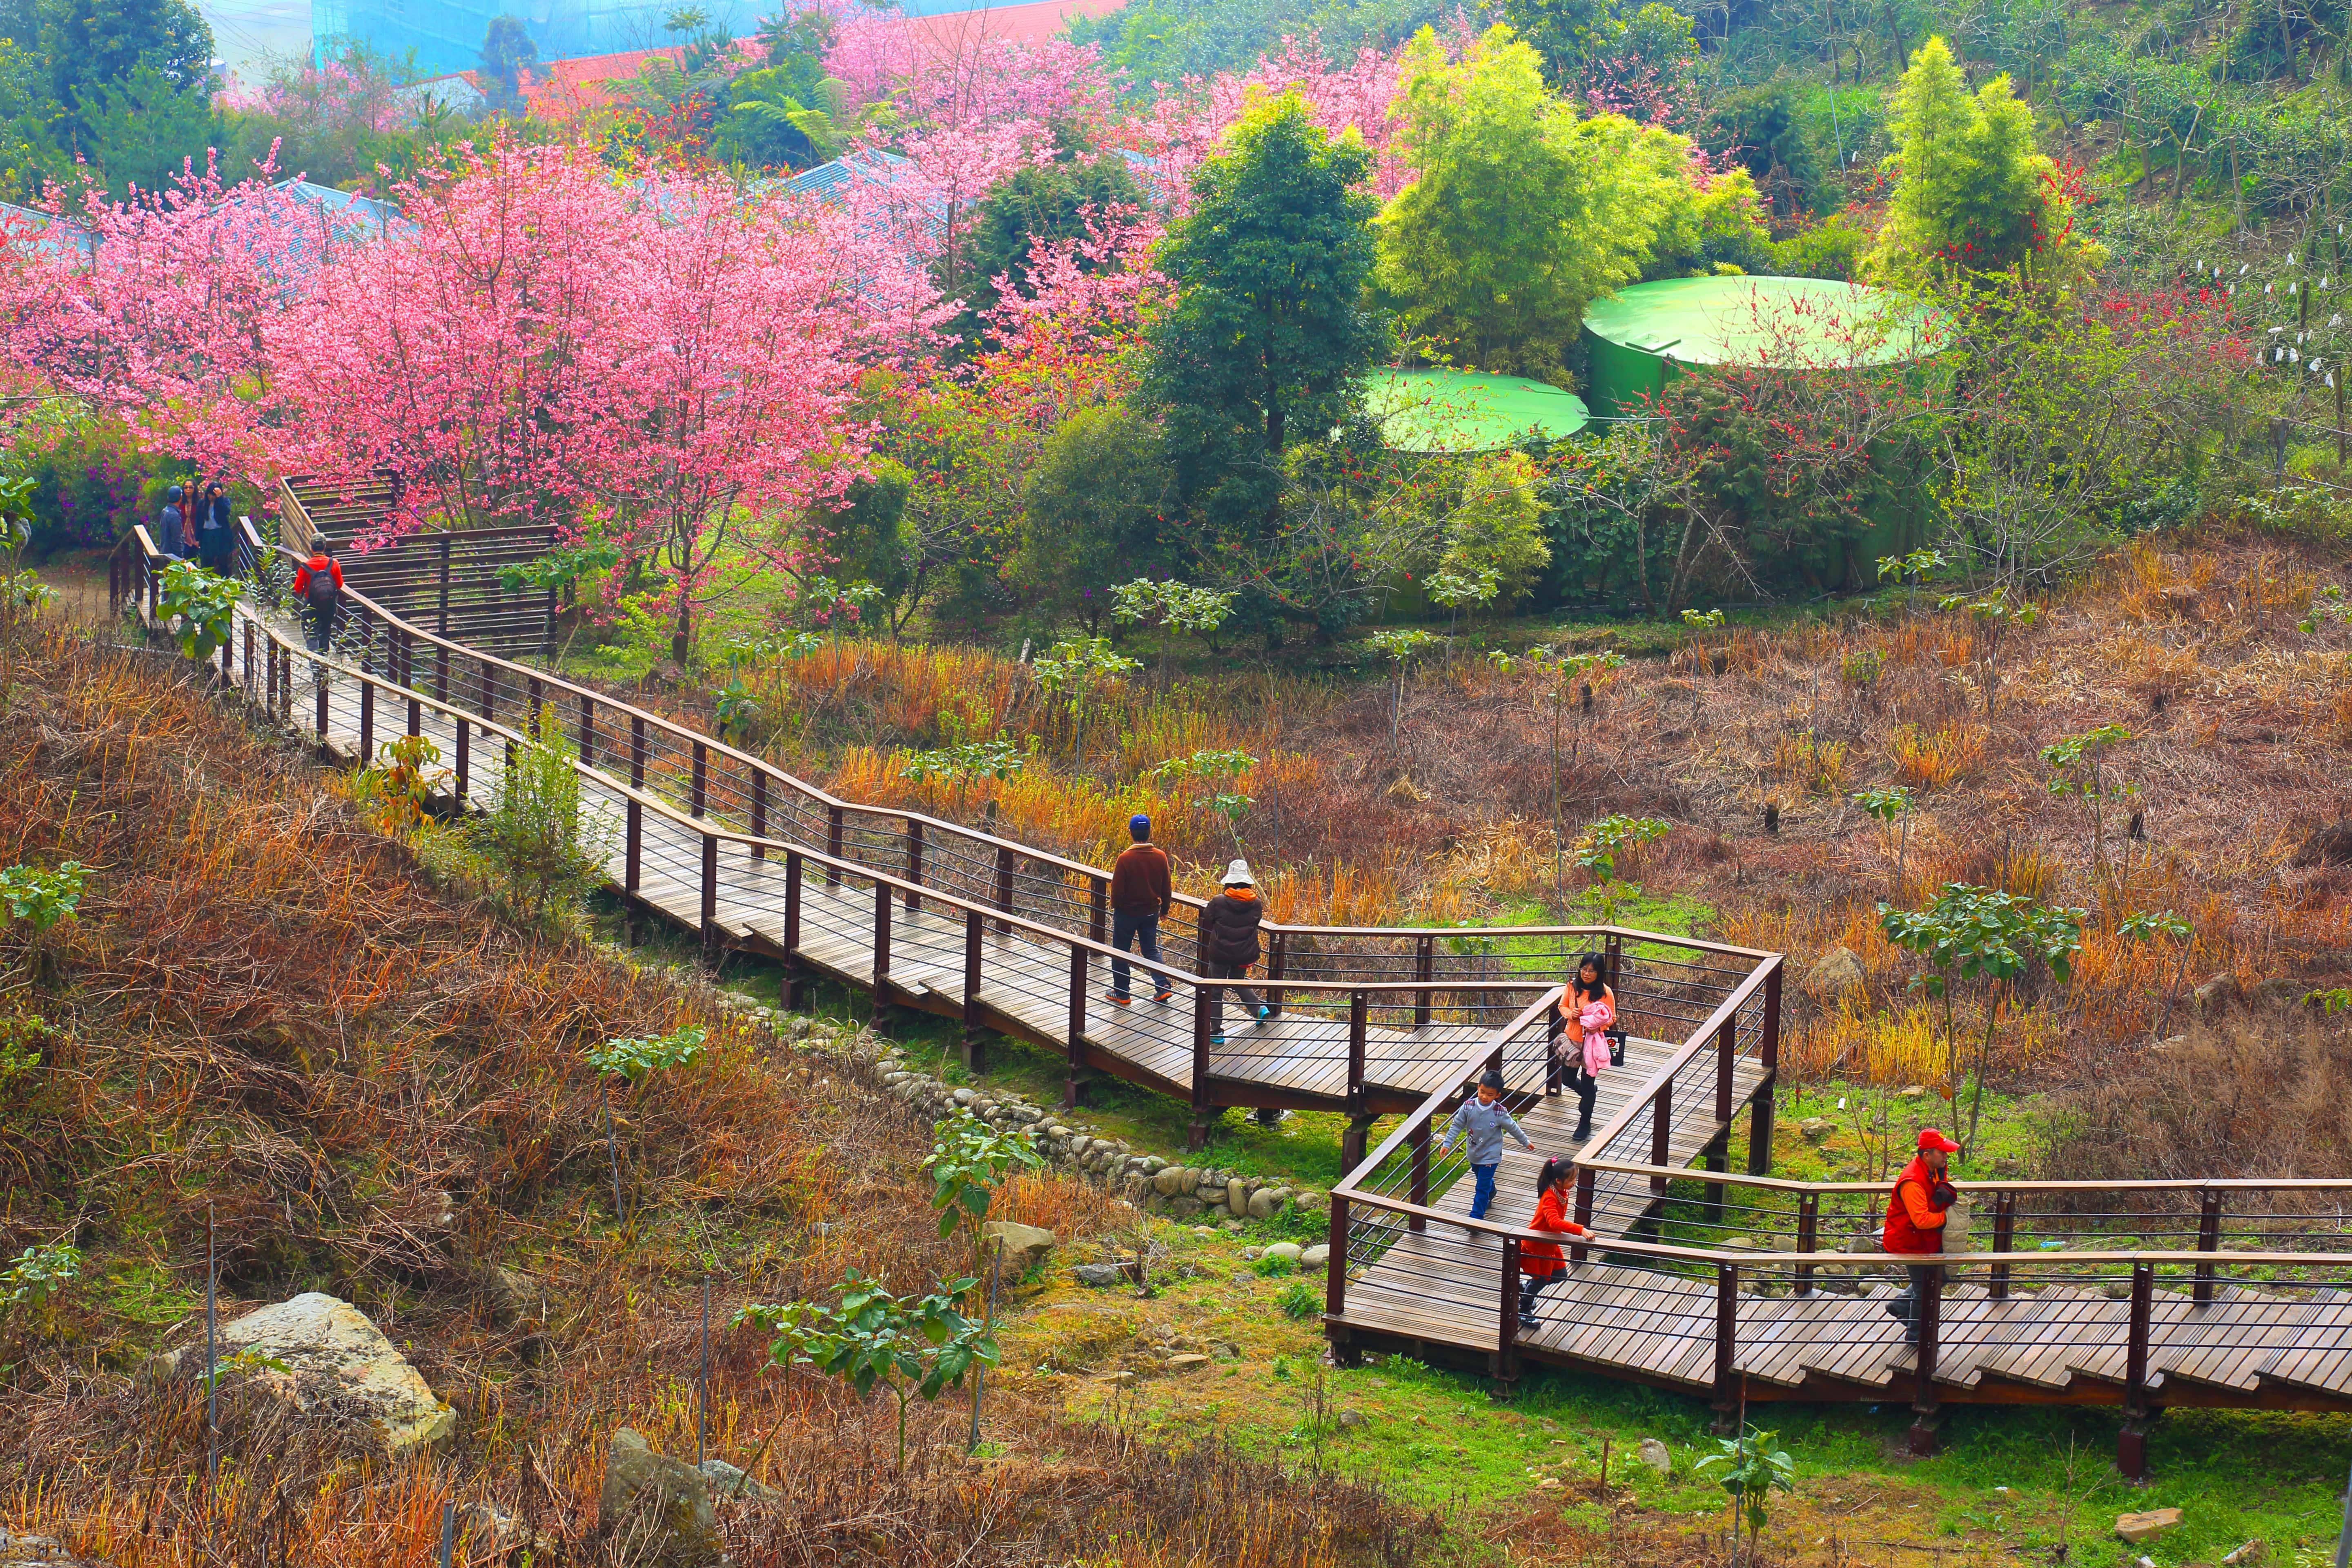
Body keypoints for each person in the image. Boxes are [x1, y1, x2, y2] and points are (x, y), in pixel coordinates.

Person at [1881, 1127, 1962, 1343]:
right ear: (1927, 1155)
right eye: (1942, 1152)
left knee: (1940, 1276)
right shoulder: (1913, 1182)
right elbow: (1922, 1220)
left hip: (1923, 1239)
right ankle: (1916, 1338)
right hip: (1910, 1242)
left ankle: (1899, 1306)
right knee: (1924, 1289)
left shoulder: (1932, 1169)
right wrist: (1948, 1220)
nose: (1947, 1156)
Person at [1437, 1068, 1536, 1223]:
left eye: (1490, 1095)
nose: (1484, 1097)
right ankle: (1492, 1190)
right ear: (1478, 1087)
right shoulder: (1468, 1107)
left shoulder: (1499, 1112)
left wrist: (1525, 1142)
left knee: (1481, 1188)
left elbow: (1513, 1128)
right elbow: (1457, 1125)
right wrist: (1447, 1144)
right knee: (1482, 1179)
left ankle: (1476, 1218)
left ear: (1497, 1096)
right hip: (1474, 1152)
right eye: (1482, 1092)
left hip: (1491, 1156)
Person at [1200, 858, 1271, 1045]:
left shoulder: (1218, 901)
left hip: (1220, 953)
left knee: (1216, 991)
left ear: (1229, 881)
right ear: (1247, 881)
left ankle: (1216, 1032)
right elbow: (1254, 923)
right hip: (1244, 953)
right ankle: (1258, 1009)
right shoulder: (1256, 903)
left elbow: (1208, 918)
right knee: (1238, 981)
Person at [1106, 814, 1173, 1006]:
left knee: (1121, 951)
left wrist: (1116, 907)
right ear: (1149, 831)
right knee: (1151, 949)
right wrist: (1165, 909)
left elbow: (1117, 889)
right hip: (1151, 912)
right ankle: (1163, 987)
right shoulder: (1160, 857)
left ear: (1131, 833)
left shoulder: (1125, 858)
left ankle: (1122, 993)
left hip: (1127, 913)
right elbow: (1166, 887)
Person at [1517, 1156, 1591, 1331]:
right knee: (1541, 1278)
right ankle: (1524, 1308)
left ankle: (1526, 1289)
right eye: (1571, 1179)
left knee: (1559, 1275)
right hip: (1539, 1244)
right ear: (1558, 1181)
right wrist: (1580, 1229)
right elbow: (1554, 1222)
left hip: (1549, 1243)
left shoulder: (1560, 1191)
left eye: (1575, 1178)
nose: (1574, 1183)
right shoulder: (1549, 1197)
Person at [1558, 952, 1615, 1142]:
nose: (1587, 974)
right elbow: (1562, 1006)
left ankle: (1585, 1121)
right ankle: (1587, 1093)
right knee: (1567, 1079)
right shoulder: (1573, 987)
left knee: (1589, 1083)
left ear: (1600, 973)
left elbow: (1612, 1018)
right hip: (1572, 1040)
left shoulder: (1605, 993)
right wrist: (1570, 1014)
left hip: (1592, 1043)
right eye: (1584, 969)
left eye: (1592, 971)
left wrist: (1598, 1025)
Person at [292, 536, 344, 653]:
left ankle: (315, 666)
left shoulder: (305, 566)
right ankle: (324, 665)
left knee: (311, 635)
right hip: (329, 605)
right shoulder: (334, 563)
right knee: (325, 635)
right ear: (325, 547)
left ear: (312, 548)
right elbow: (340, 585)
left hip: (311, 605)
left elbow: (298, 588)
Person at [195, 479, 234, 572]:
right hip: (206, 534)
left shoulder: (224, 501)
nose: (211, 497)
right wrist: (197, 539)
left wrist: (220, 499)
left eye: (213, 495)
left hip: (220, 534)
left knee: (223, 561)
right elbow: (199, 521)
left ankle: (224, 582)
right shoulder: (202, 503)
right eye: (209, 494)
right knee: (206, 561)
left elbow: (226, 512)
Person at [158, 485, 188, 561]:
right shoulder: (174, 515)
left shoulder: (165, 511)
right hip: (173, 557)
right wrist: (180, 558)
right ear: (180, 497)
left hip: (165, 553)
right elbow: (177, 539)